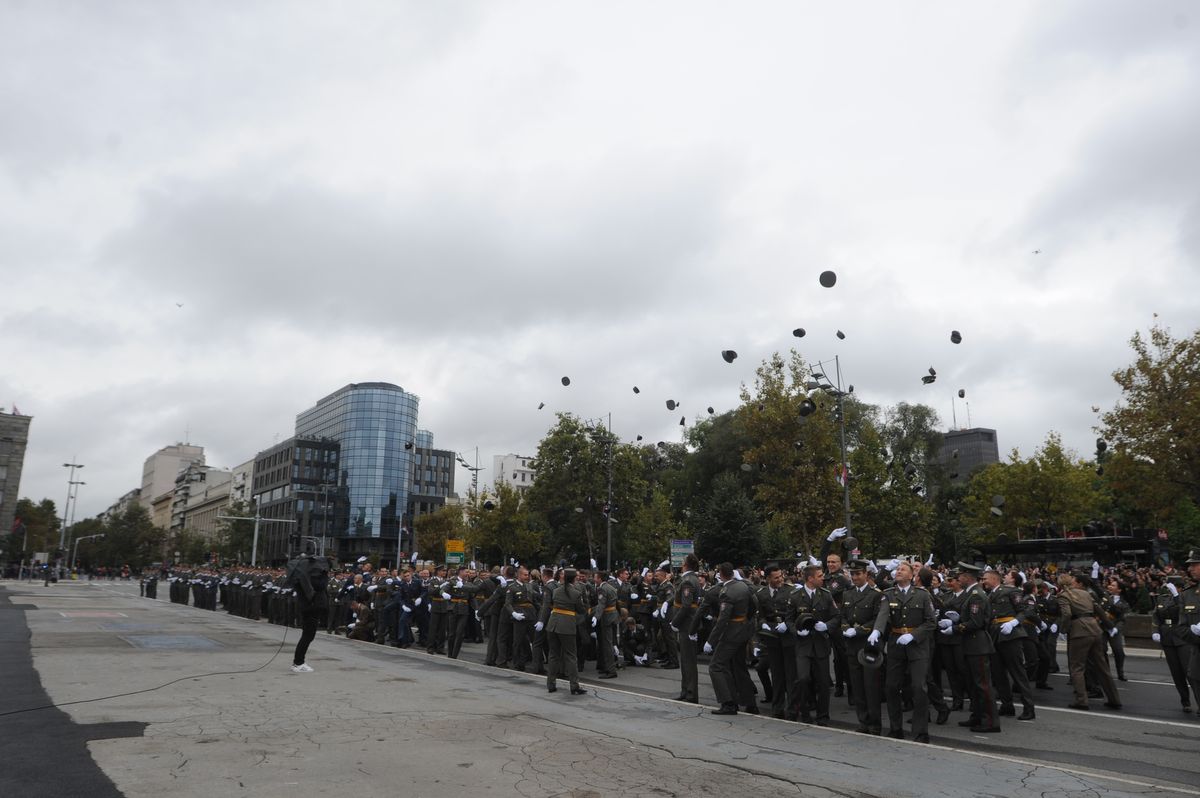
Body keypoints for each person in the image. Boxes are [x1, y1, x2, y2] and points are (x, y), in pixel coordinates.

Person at [870, 560, 936, 742]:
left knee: (918, 687)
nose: (898, 571)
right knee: (891, 687)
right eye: (897, 569)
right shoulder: (889, 594)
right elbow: (883, 614)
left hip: (917, 645)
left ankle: (921, 731)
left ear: (911, 575)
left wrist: (914, 636)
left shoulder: (922, 595)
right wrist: (877, 630)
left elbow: (931, 622)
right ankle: (895, 727)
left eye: (903, 569)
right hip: (896, 644)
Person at [1056, 572, 1121, 711]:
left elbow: (1067, 614)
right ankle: (1114, 699)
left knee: (1077, 668)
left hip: (1079, 631)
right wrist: (1110, 626)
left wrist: (1063, 630)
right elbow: (1099, 611)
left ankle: (1081, 700)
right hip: (1095, 630)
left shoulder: (1063, 596)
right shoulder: (1086, 593)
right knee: (1102, 667)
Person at [982, 567, 1036, 721]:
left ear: (994, 579)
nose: (983, 581)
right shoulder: (989, 594)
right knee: (998, 674)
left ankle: (1029, 708)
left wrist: (1013, 623)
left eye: (985, 579)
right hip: (995, 635)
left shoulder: (1010, 591)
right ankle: (1007, 705)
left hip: (1010, 635)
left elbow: (1025, 610)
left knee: (1018, 673)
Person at [706, 562, 758, 715]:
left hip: (731, 633)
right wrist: (746, 621)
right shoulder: (744, 586)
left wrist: (711, 641)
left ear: (721, 574)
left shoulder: (726, 592)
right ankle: (750, 703)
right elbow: (754, 605)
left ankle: (728, 703)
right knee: (739, 667)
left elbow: (723, 620)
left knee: (716, 666)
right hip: (743, 630)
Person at [790, 563, 839, 725]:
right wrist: (796, 630)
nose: (823, 578)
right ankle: (804, 712)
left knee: (823, 682)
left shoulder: (825, 595)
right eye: (819, 576)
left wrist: (827, 626)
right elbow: (788, 620)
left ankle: (823, 715)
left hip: (820, 644)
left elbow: (836, 617)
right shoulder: (796, 596)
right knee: (803, 679)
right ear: (810, 579)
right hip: (803, 645)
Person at [841, 558, 883, 734]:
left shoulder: (875, 594)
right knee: (857, 685)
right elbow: (842, 615)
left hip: (867, 645)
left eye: (858, 574)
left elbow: (877, 619)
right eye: (852, 574)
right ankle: (863, 721)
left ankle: (874, 722)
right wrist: (846, 628)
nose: (855, 577)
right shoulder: (848, 594)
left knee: (870, 686)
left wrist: (859, 631)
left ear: (866, 574)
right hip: (852, 646)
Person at [755, 563, 796, 719]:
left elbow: (795, 613)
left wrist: (787, 623)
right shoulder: (762, 594)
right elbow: (760, 615)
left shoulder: (791, 591)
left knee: (791, 675)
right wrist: (763, 624)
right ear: (767, 579)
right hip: (772, 638)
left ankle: (793, 708)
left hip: (788, 637)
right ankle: (777, 707)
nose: (780, 579)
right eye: (776, 577)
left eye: (781, 576)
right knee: (777, 675)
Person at [283, 541, 331, 673]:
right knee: (308, 636)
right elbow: (321, 586)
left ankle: (298, 661)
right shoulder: (314, 580)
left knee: (307, 635)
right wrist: (325, 575)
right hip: (312, 607)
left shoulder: (301, 578)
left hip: (307, 607)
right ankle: (298, 662)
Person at [540, 567, 588, 695]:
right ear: (574, 579)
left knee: (553, 655)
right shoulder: (576, 593)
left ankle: (551, 684)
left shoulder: (556, 591)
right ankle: (574, 686)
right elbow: (581, 610)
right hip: (567, 625)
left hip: (553, 623)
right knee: (571, 656)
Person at [672, 554, 703, 702]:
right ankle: (686, 690)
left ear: (686, 565)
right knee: (685, 659)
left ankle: (691, 693)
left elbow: (686, 606)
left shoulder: (688, 581)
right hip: (687, 623)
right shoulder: (690, 579)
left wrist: (675, 622)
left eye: (683, 561)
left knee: (688, 660)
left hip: (686, 624)